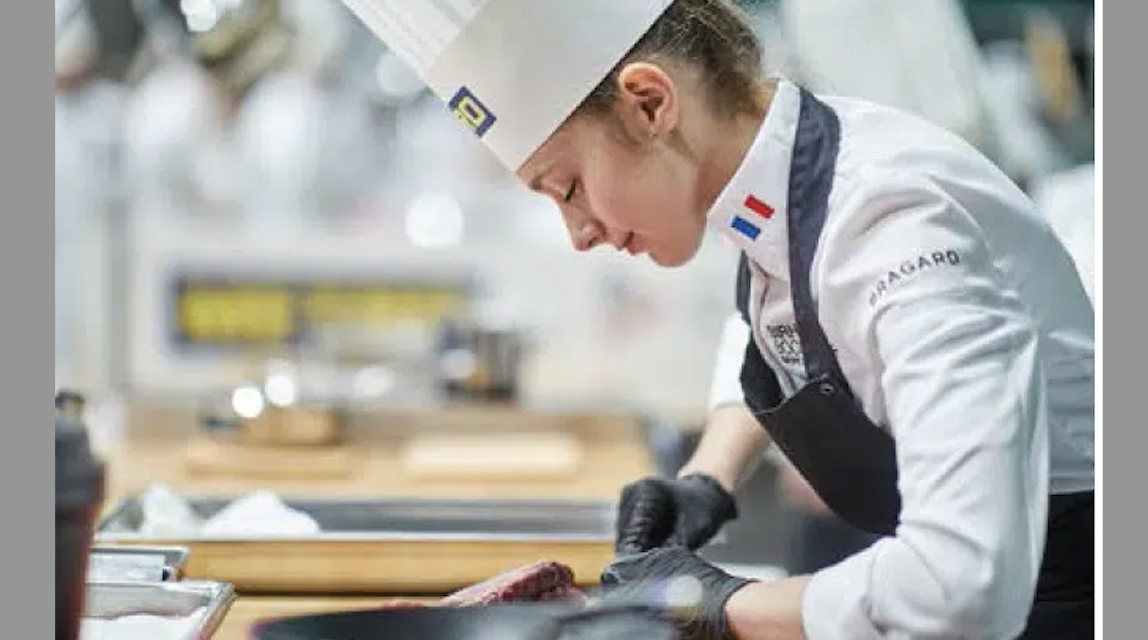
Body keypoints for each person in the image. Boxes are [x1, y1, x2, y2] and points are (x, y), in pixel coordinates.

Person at [338, 1, 1095, 639]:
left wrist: (711, 603)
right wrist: (709, 478)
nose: (579, 233)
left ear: (649, 102)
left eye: (567, 187)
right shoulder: (788, 176)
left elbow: (958, 587)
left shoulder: (893, 221)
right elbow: (786, 315)